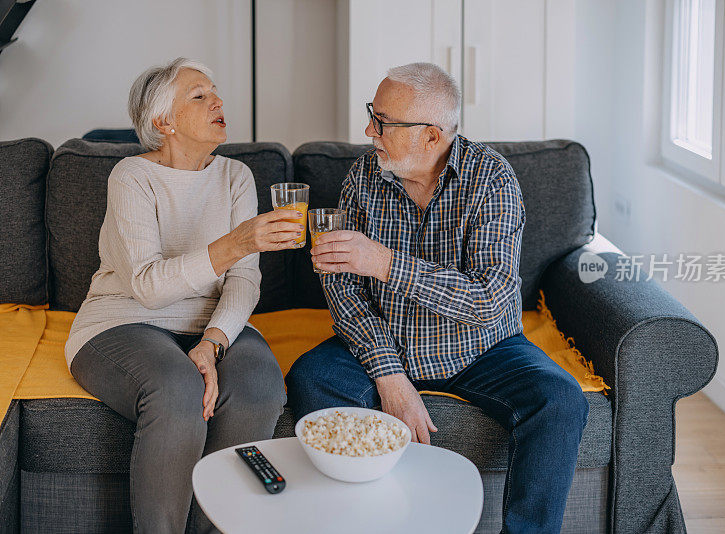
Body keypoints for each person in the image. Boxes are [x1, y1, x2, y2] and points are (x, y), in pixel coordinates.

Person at [286, 62, 590, 533]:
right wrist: (389, 374)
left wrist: (385, 263)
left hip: (480, 348)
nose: (368, 130)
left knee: (561, 400)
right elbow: (342, 287)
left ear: (431, 136)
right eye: (373, 114)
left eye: (382, 122)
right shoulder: (364, 176)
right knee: (313, 378)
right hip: (383, 338)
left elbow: (490, 299)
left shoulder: (491, 180)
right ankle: (354, 522)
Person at [65, 58, 302, 533]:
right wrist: (235, 243)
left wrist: (213, 343)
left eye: (215, 91)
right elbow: (149, 288)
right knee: (177, 391)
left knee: (260, 389)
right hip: (124, 320)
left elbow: (243, 280)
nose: (217, 100)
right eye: (199, 95)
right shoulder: (131, 177)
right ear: (163, 122)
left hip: (214, 321)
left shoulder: (235, 176)